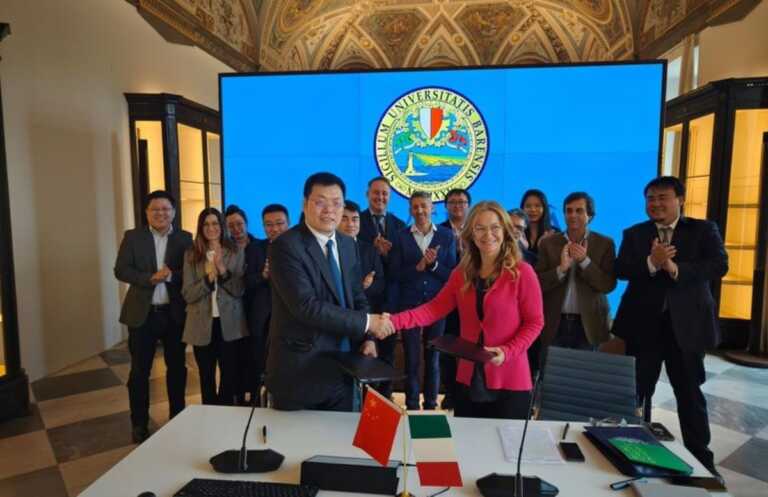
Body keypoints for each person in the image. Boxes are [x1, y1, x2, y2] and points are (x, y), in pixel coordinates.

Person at [613, 176, 728, 475]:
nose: (655, 204)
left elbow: (719, 264)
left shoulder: (703, 230)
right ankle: (634, 453)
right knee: (637, 393)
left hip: (687, 328)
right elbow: (621, 269)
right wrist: (652, 262)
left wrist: (675, 268)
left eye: (662, 197)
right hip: (644, 327)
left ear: (680, 200)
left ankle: (702, 462)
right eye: (650, 198)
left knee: (689, 395)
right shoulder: (635, 233)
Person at [390, 201, 544, 419]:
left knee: (505, 442)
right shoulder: (462, 273)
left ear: (505, 231)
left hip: (510, 380)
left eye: (495, 227)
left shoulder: (522, 272)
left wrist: (507, 351)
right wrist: (392, 322)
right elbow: (433, 309)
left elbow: (535, 322)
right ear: (471, 233)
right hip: (468, 379)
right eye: (480, 228)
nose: (488, 234)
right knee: (467, 439)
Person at [264, 172, 394, 411]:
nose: (329, 210)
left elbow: (357, 296)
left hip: (345, 368)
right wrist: (368, 323)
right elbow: (307, 307)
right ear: (305, 204)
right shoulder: (285, 246)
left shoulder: (347, 244)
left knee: (341, 433)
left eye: (336, 203)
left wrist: (368, 338)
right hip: (301, 372)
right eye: (320, 202)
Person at [114, 190, 192, 443]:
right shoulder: (133, 237)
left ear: (174, 212)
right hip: (142, 314)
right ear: (147, 213)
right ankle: (139, 423)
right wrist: (149, 278)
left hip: (174, 314)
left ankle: (178, 418)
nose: (161, 213)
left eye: (165, 209)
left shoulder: (185, 238)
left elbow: (191, 272)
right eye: (155, 209)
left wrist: (171, 276)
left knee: (177, 369)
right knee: (139, 372)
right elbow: (121, 270)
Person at [390, 191, 457, 410]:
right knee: (411, 358)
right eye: (415, 206)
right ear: (410, 209)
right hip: (409, 305)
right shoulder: (400, 236)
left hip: (437, 305)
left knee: (433, 357)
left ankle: (430, 404)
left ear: (432, 208)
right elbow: (395, 273)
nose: (420, 210)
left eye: (424, 206)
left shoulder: (446, 236)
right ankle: (411, 404)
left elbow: (452, 274)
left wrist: (433, 265)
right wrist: (417, 268)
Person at [536, 192, 616, 359]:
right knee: (550, 371)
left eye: (579, 211)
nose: (572, 215)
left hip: (589, 325)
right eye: (569, 210)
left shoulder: (605, 244)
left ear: (590, 215)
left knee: (582, 373)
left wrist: (585, 262)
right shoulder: (548, 243)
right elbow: (537, 284)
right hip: (554, 322)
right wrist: (561, 269)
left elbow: (608, 285)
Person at [182, 208, 247, 406]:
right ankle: (209, 415)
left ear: (222, 226)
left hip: (230, 324)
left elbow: (239, 290)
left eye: (215, 223)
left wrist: (222, 270)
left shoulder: (236, 251)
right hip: (202, 324)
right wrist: (209, 278)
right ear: (201, 228)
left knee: (229, 376)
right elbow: (188, 294)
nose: (211, 228)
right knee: (206, 377)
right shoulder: (191, 254)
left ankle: (225, 414)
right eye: (206, 224)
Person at [357, 176, 406, 398]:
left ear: (390, 196)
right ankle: (363, 398)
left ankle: (385, 397)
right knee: (364, 351)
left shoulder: (399, 225)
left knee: (387, 351)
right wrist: (372, 249)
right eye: (376, 192)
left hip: (389, 300)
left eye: (385, 193)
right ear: (367, 194)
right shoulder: (356, 221)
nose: (380, 197)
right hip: (363, 298)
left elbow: (401, 265)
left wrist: (387, 255)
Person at [242, 203, 290, 405]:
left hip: (291, 317)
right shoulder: (254, 249)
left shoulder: (300, 246)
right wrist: (263, 275)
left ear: (288, 223)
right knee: (261, 363)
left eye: (279, 223)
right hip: (262, 318)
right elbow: (245, 282)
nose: (274, 228)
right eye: (269, 225)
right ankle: (259, 403)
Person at [439, 188, 471, 410]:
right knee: (448, 349)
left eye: (462, 201)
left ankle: (467, 393)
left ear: (468, 205)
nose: (457, 205)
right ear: (446, 206)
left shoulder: (477, 230)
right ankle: (450, 392)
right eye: (453, 202)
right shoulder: (439, 231)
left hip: (473, 299)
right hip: (448, 300)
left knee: (470, 349)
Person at [340, 200, 385, 308]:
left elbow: (381, 283)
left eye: (355, 219)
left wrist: (365, 287)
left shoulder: (370, 250)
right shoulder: (328, 248)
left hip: (365, 310)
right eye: (344, 219)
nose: (350, 224)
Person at [520, 189, 557, 254]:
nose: (533, 210)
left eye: (537, 206)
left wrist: (542, 247)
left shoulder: (554, 233)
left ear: (544, 208)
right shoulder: (517, 232)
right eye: (528, 206)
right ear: (522, 208)